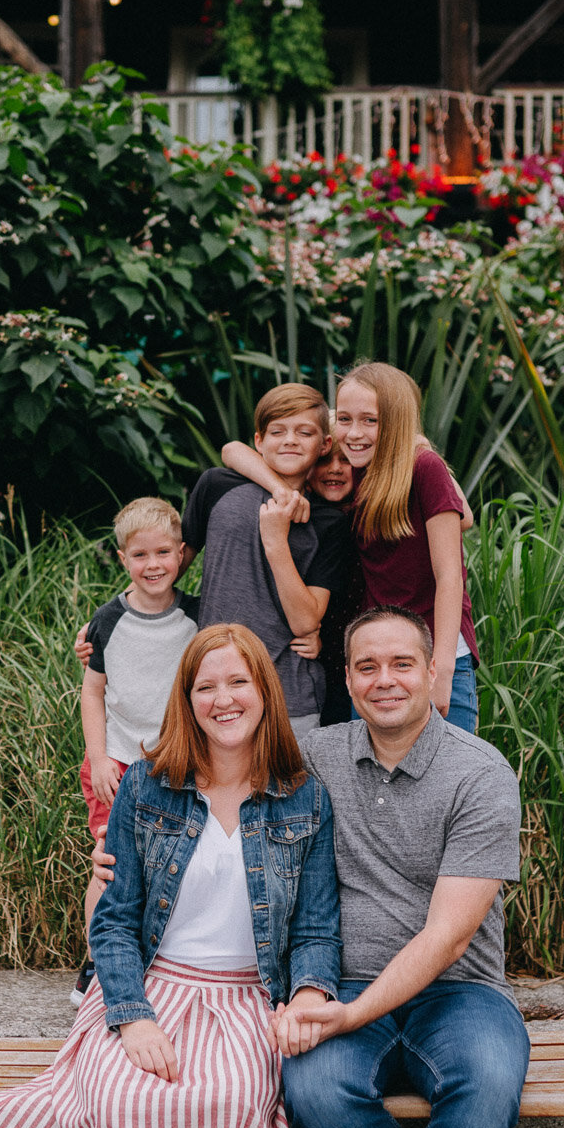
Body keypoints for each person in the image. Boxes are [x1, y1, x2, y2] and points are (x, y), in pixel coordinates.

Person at [0, 624, 342, 1128]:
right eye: (205, 686)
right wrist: (131, 1015)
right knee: (135, 1096)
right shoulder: (149, 786)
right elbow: (111, 924)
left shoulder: (303, 796)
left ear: (263, 692)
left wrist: (305, 995)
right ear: (187, 699)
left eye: (237, 682)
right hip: (154, 984)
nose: (223, 698)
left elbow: (316, 929)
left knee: (232, 1098)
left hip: (247, 996)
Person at [275, 605, 526, 1128]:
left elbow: (449, 936)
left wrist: (348, 1019)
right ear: (347, 678)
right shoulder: (316, 755)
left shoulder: (479, 772)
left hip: (460, 994)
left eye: (401, 665)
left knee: (485, 1087)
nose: (384, 680)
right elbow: (209, 772)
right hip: (345, 982)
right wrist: (121, 839)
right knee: (314, 1093)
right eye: (366, 667)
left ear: (431, 673)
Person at [222, 362, 480, 733]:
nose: (354, 433)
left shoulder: (422, 466)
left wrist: (441, 671)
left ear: (394, 422)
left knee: (448, 780)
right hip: (376, 660)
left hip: (434, 656)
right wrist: (281, 489)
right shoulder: (355, 468)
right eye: (344, 419)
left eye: (370, 421)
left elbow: (450, 573)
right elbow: (232, 450)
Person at [75, 497, 199, 1001]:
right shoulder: (107, 620)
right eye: (140, 555)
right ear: (123, 559)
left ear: (182, 553)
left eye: (164, 553)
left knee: (173, 860)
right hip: (120, 761)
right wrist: (100, 757)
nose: (153, 565)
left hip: (180, 760)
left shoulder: (197, 614)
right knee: (110, 862)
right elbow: (92, 691)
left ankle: (159, 959)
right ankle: (94, 963)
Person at [182, 384, 352, 739]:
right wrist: (117, 615)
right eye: (278, 431)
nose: (290, 440)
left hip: (291, 696)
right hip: (215, 691)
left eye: (304, 432)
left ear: (323, 444)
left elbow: (306, 620)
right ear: (259, 441)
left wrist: (276, 540)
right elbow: (169, 567)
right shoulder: (217, 486)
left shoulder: (329, 522)